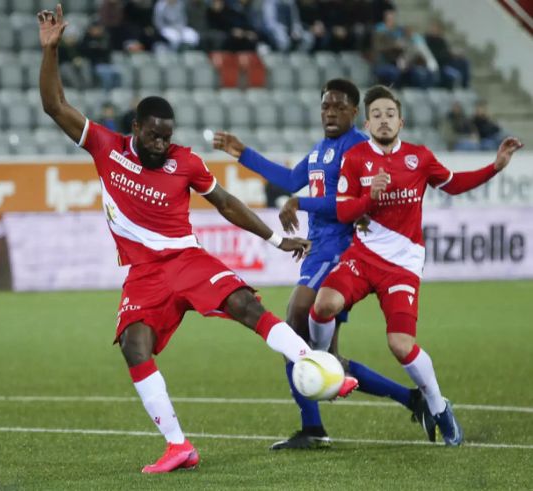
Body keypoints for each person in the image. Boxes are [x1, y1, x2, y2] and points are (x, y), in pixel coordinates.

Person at [37, 5, 356, 473]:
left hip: (186, 259)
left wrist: (274, 239)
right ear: (136, 130)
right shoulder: (105, 147)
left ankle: (321, 368)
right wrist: (51, 52)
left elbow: (226, 202)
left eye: (167, 138)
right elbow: (54, 105)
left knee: (246, 306)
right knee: (133, 345)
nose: (161, 145)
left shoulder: (186, 163)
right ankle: (177, 445)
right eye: (153, 137)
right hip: (143, 274)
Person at [213, 79, 436, 450]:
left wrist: (348, 211)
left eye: (337, 107)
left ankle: (314, 426)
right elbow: (290, 179)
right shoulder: (321, 151)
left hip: (341, 250)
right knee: (324, 356)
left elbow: (363, 198)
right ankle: (410, 400)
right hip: (318, 248)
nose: (329, 113)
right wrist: (242, 153)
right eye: (324, 107)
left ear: (354, 113)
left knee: (294, 324)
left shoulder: (359, 149)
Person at [311, 85, 524, 446]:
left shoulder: (419, 157)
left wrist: (495, 167)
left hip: (402, 265)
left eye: (389, 114)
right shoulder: (356, 158)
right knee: (322, 306)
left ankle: (439, 407)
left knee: (400, 344)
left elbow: (454, 185)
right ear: (367, 121)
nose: (383, 120)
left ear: (401, 121)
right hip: (362, 257)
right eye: (376, 114)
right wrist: (369, 197)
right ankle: (321, 361)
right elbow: (343, 210)